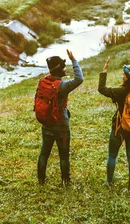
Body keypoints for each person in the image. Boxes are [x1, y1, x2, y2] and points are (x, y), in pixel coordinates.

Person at [36, 49, 83, 186]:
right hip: (61, 125)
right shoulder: (62, 86)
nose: (65, 69)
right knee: (64, 155)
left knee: (44, 153)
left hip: (46, 123)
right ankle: (65, 182)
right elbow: (79, 78)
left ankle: (41, 180)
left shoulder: (42, 82)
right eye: (63, 67)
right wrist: (74, 60)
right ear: (59, 70)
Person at [97, 57, 130, 191]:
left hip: (119, 128)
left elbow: (102, 89)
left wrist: (104, 71)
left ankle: (109, 183)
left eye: (124, 74)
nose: (122, 76)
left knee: (112, 155)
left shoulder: (121, 91)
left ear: (128, 78)